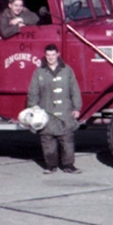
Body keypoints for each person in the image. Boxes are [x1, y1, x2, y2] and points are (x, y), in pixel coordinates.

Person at [26, 43, 82, 173]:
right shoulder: (39, 72)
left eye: (53, 55)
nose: (51, 57)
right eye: (48, 55)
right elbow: (33, 92)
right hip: (46, 112)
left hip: (65, 112)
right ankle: (51, 166)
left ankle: (69, 166)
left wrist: (76, 108)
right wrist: (33, 108)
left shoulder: (67, 70)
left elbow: (75, 90)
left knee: (67, 141)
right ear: (45, 56)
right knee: (47, 141)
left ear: (58, 55)